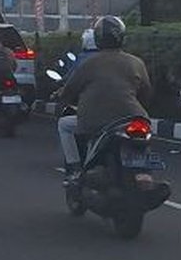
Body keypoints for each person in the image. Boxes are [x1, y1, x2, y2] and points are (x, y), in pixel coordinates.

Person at [56, 15, 152, 181]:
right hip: (133, 118)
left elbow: (69, 91)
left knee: (64, 124)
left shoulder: (88, 63)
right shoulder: (137, 63)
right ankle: (145, 174)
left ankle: (74, 168)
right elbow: (146, 93)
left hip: (96, 121)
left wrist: (61, 102)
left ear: (97, 39)